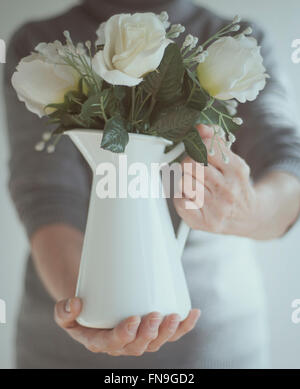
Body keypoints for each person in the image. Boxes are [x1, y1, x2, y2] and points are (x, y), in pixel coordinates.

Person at [4, 0, 300, 369]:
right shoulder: (39, 46)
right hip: (60, 354)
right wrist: (88, 303)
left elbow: (288, 162)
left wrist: (248, 209)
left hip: (214, 347)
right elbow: (46, 196)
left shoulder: (238, 45)